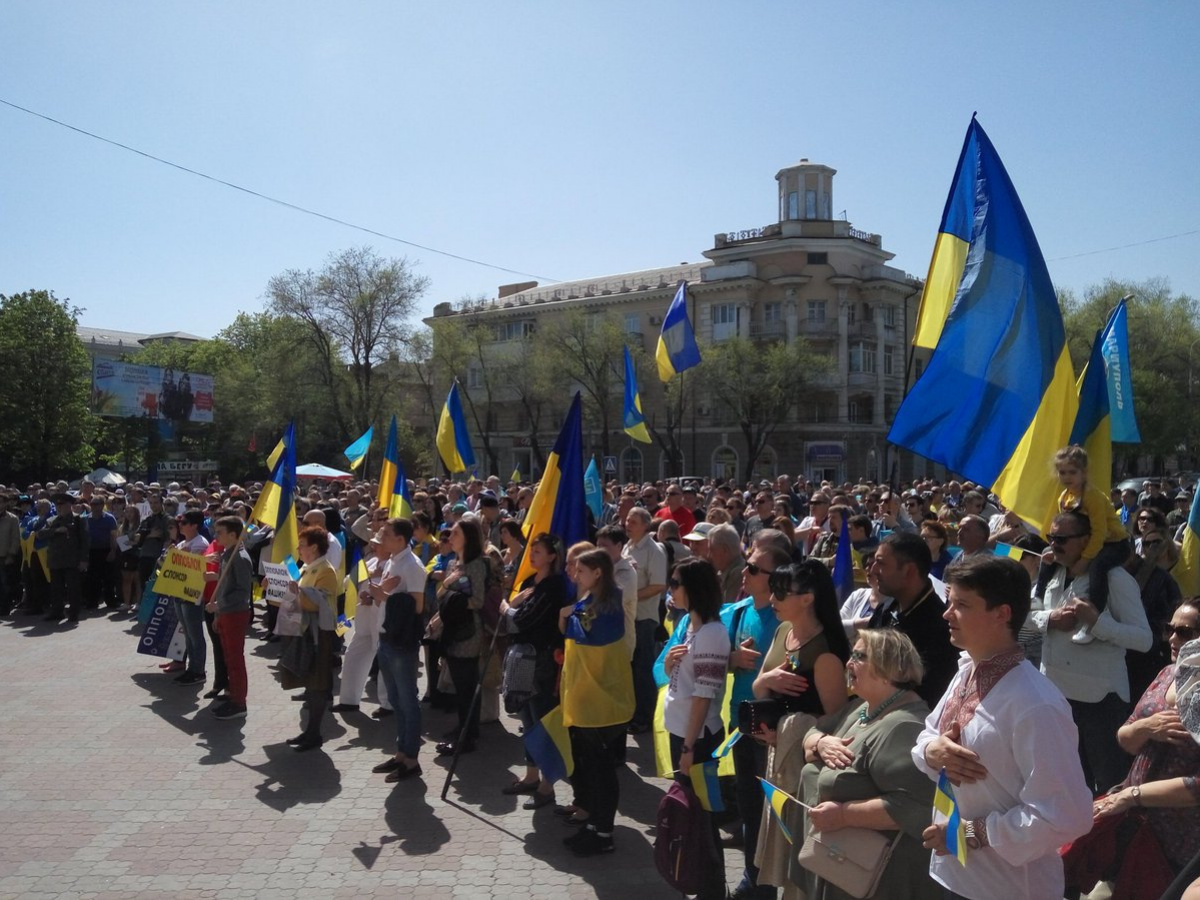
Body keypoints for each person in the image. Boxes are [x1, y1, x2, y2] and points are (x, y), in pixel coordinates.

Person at [916, 555, 1093, 900]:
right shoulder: (967, 671)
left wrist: (970, 833)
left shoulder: (1036, 703)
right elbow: (927, 735)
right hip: (955, 877)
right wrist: (931, 750)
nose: (946, 614)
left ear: (1002, 613)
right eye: (950, 602)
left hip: (1009, 889)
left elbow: (1067, 814)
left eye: (961, 605)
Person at [789, 629, 937, 900]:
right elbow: (813, 732)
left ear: (887, 667)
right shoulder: (863, 708)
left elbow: (913, 807)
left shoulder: (904, 726)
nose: (848, 663)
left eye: (859, 656)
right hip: (839, 867)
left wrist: (843, 815)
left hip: (877, 880)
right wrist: (820, 742)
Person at [1065, 601, 1200, 895]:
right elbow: (1125, 739)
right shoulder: (1167, 673)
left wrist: (1133, 795)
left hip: (1175, 843)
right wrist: (1146, 728)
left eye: (1185, 632)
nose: (1172, 639)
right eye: (1169, 629)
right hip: (1127, 826)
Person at [1030, 510, 1152, 793]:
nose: (1053, 544)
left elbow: (1144, 640)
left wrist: (1097, 622)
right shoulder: (1051, 571)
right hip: (1054, 697)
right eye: (1050, 537)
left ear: (1088, 540)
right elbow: (1028, 612)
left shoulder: (1115, 579)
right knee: (1066, 786)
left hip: (1100, 703)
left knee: (1110, 787)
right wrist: (1049, 619)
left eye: (1062, 538)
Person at [659, 558, 730, 899]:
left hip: (697, 738)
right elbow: (678, 677)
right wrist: (671, 663)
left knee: (702, 818)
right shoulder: (689, 623)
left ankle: (712, 889)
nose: (670, 588)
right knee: (692, 814)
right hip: (682, 732)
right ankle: (702, 884)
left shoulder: (713, 632)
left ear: (694, 588)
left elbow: (704, 695)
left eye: (675, 582)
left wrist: (688, 748)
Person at [559, 548, 634, 856]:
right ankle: (593, 826)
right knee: (591, 768)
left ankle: (604, 832)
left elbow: (588, 635)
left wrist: (569, 613)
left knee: (603, 772)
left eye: (581, 571)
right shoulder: (588, 600)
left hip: (605, 702)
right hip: (587, 699)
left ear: (598, 573)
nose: (576, 575)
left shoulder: (610, 603)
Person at [500, 533, 568, 809]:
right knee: (526, 719)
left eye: (538, 551)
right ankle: (531, 775)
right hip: (522, 659)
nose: (532, 555)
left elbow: (523, 620)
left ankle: (547, 785)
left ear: (552, 555)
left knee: (542, 720)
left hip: (541, 660)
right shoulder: (530, 582)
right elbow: (509, 624)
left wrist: (508, 607)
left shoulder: (553, 587)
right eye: (532, 550)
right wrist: (510, 611)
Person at [1044, 446, 1133, 644]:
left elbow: (1100, 532)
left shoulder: (1092, 496)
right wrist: (1055, 549)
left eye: (1072, 472)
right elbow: (1066, 527)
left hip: (1114, 543)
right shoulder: (1064, 497)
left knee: (1098, 566)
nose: (1067, 477)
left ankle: (1094, 619)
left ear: (1084, 473)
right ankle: (1039, 596)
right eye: (1062, 472)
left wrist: (1084, 560)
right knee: (1047, 555)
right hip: (1086, 541)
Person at [866, 532, 958, 707]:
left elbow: (925, 696)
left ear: (909, 571)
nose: (873, 570)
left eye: (881, 563)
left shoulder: (940, 628)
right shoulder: (886, 609)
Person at [371, 517, 428, 783]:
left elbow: (417, 607)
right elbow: (389, 597)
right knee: (395, 699)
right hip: (386, 638)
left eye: (386, 534)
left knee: (407, 701)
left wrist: (385, 595)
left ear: (400, 540)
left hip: (402, 643)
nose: (381, 538)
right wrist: (375, 593)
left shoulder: (413, 565)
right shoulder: (394, 559)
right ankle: (401, 752)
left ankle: (412, 758)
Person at [433, 517, 489, 757]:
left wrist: (451, 601)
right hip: (453, 629)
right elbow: (441, 593)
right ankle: (464, 726)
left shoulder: (476, 565)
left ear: (468, 537)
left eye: (455, 534)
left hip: (468, 632)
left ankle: (468, 735)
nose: (450, 538)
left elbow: (477, 600)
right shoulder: (455, 563)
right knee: (459, 683)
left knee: (467, 685)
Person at [282, 526, 340, 752]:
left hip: (319, 633)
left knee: (317, 685)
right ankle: (309, 731)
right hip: (305, 630)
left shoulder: (325, 570)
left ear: (314, 547)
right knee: (310, 682)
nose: (298, 549)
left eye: (302, 545)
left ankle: (314, 733)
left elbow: (319, 603)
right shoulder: (306, 568)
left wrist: (296, 593)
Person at [623, 506, 668, 735]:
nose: (627, 523)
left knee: (642, 668)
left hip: (644, 618)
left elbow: (659, 585)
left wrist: (630, 598)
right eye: (627, 520)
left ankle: (644, 718)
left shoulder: (654, 550)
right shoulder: (627, 547)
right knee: (629, 669)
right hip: (627, 617)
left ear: (645, 525)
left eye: (633, 521)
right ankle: (632, 713)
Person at [204, 516, 253, 720]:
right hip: (225, 613)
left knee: (235, 659)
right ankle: (232, 693)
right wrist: (218, 614)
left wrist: (220, 606)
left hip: (235, 613)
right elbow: (224, 585)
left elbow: (241, 592)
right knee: (228, 657)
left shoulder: (240, 558)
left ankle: (239, 702)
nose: (216, 536)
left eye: (220, 532)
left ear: (233, 535)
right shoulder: (228, 554)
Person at [173, 510, 210, 686]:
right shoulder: (182, 544)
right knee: (187, 633)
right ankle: (191, 668)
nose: (180, 525)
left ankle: (199, 670)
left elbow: (197, 568)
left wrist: (185, 557)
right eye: (180, 522)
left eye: (184, 522)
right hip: (179, 592)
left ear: (195, 525)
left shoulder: (200, 544)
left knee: (195, 634)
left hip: (192, 593)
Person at [40, 492, 89, 623]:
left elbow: (84, 541)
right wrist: (56, 531)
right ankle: (57, 612)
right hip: (55, 560)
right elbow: (40, 534)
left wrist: (84, 560)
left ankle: (73, 613)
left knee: (73, 589)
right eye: (57, 504)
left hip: (72, 560)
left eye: (61, 504)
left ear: (69, 505)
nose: (59, 507)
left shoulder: (78, 519)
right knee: (56, 588)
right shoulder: (51, 520)